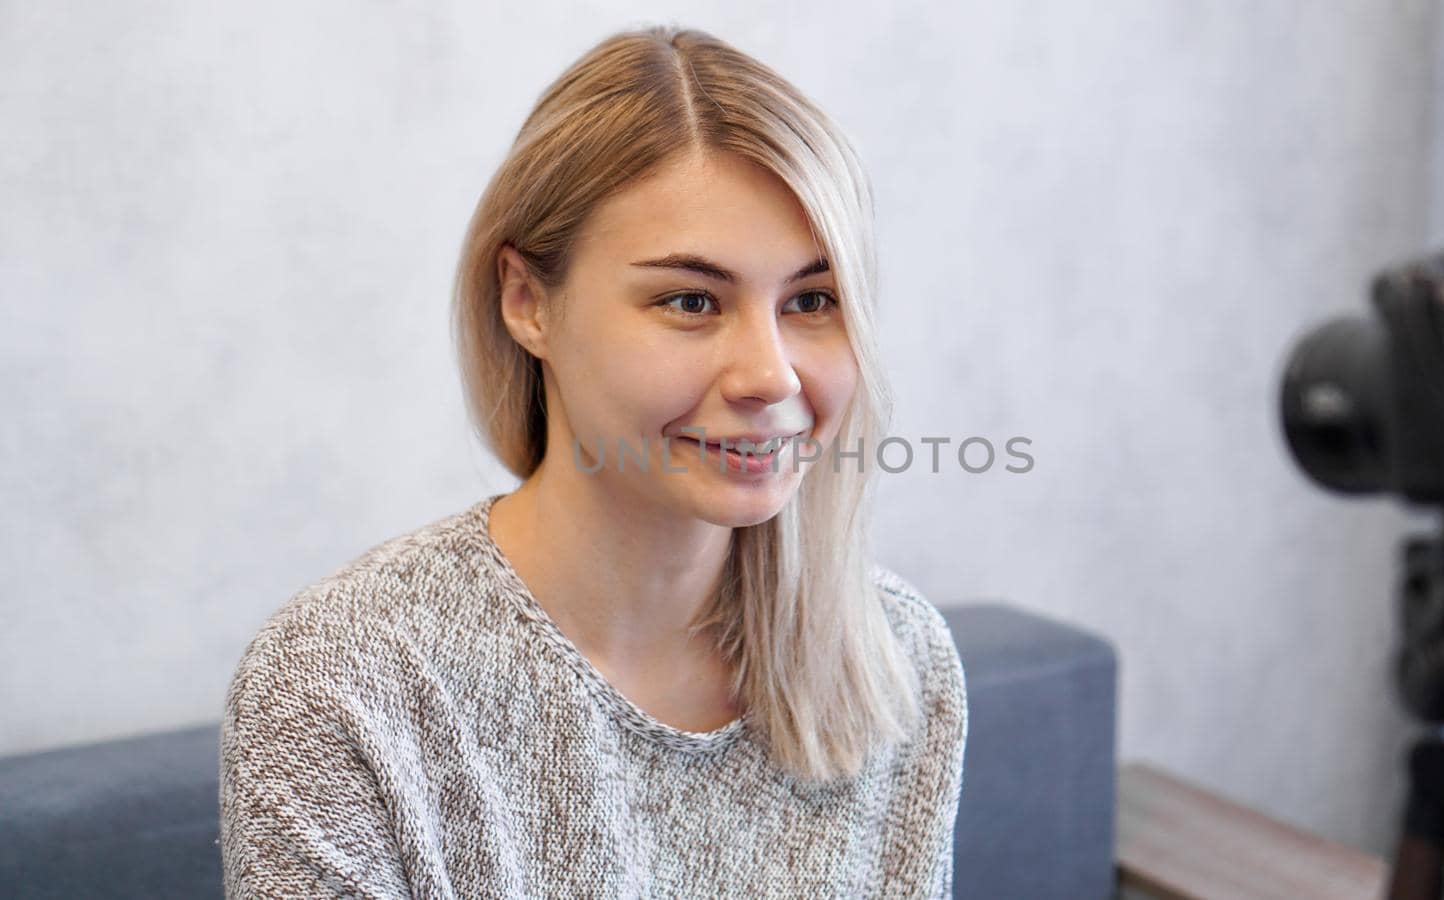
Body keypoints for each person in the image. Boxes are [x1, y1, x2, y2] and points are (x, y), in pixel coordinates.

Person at [219, 24, 968, 899]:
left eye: (813, 300)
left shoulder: (895, 659)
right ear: (528, 301)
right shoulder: (341, 682)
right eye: (691, 300)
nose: (771, 375)